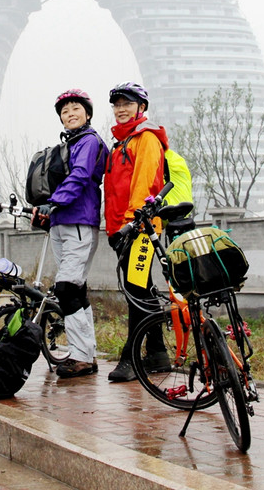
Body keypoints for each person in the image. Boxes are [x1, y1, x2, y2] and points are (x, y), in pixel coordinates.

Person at [31, 89, 108, 379]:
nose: (70, 114)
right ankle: (87, 354)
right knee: (76, 289)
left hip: (79, 221)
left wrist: (54, 203)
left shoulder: (88, 141)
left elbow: (79, 176)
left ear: (87, 114)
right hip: (61, 222)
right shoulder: (68, 144)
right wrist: (45, 210)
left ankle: (80, 356)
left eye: (76, 108)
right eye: (65, 111)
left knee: (65, 289)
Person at [103, 81, 171, 382]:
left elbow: (145, 184)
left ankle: (130, 358)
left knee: (135, 291)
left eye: (127, 103)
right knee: (141, 289)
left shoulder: (146, 138)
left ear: (141, 107)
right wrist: (114, 228)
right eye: (117, 104)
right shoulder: (121, 143)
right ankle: (157, 354)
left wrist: (132, 222)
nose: (121, 109)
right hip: (122, 228)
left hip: (140, 227)